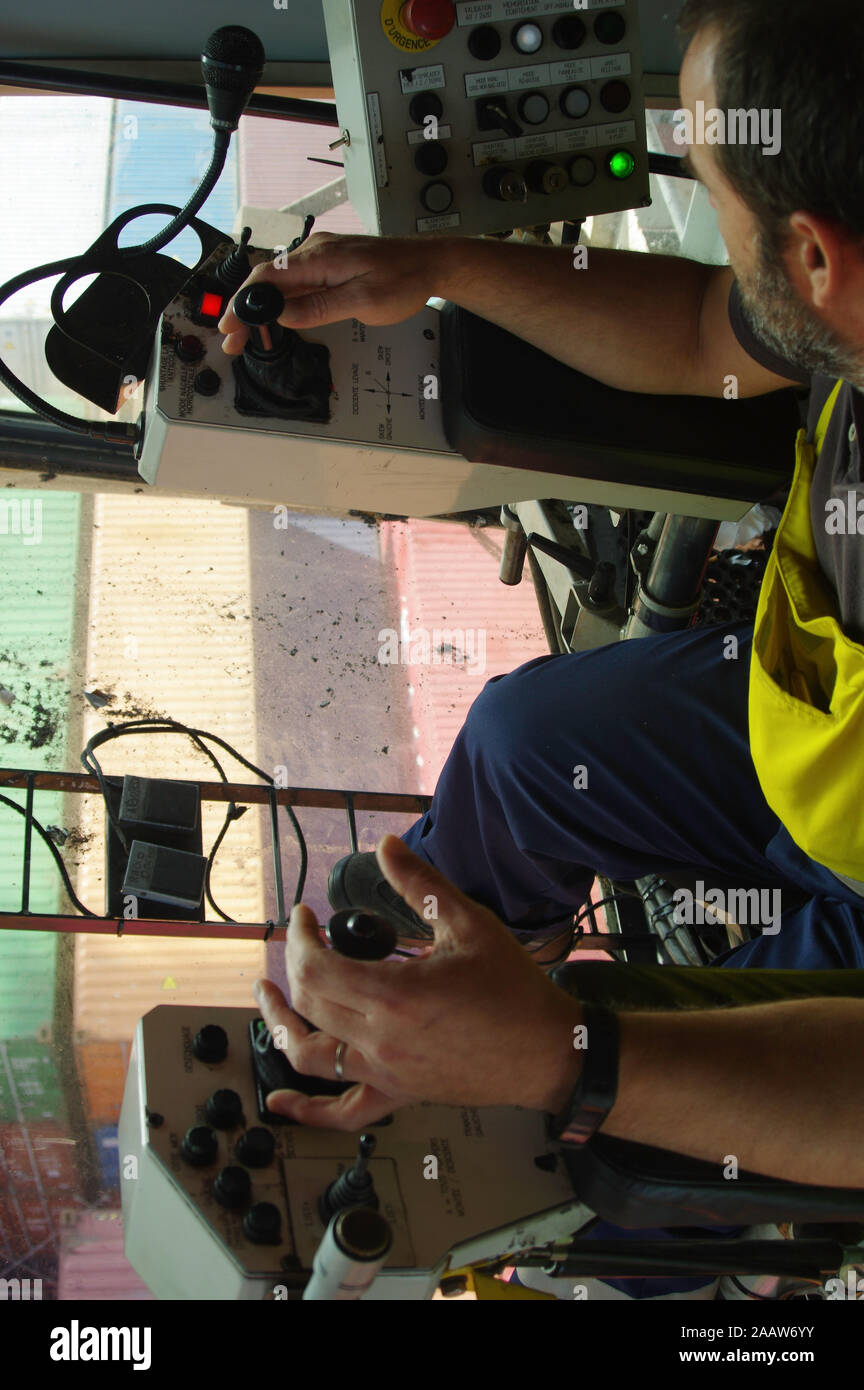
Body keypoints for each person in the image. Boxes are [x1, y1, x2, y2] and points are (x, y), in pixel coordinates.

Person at [220, 0, 864, 1294]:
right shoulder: (840, 292)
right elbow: (703, 334)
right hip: (814, 722)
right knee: (525, 745)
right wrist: (442, 265)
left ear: (812, 256)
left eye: (721, 207)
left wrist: (566, 1057)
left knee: (553, 1156)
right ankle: (431, 971)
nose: (722, 256)